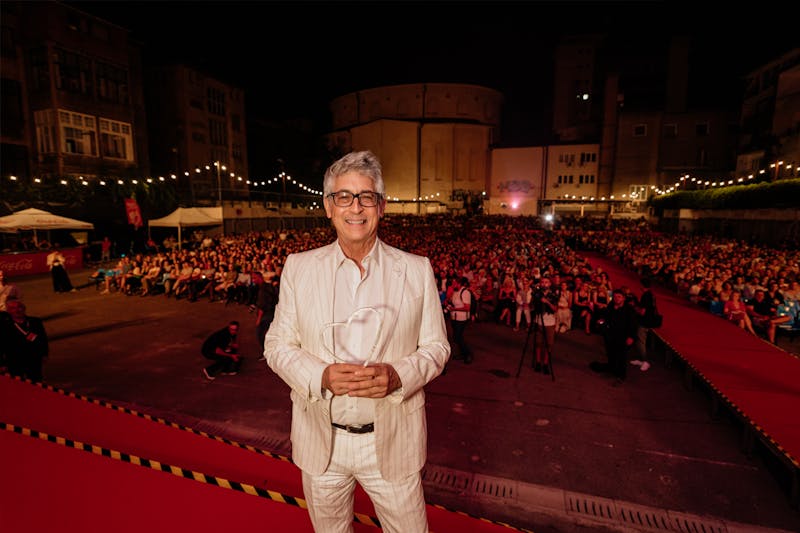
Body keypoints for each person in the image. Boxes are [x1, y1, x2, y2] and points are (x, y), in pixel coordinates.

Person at [263, 150, 450, 533]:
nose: (356, 207)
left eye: (366, 196)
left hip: (392, 440)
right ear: (328, 207)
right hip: (322, 441)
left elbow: (437, 347)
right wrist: (321, 377)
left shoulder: (416, 270)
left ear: (381, 207)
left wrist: (398, 375)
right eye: (344, 196)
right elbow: (277, 344)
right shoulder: (299, 267)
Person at [591, 289, 637, 386]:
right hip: (610, 335)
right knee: (611, 353)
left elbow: (633, 325)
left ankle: (621, 376)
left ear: (624, 298)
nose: (616, 299)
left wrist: (631, 337)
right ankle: (612, 369)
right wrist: (601, 321)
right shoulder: (611, 305)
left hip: (623, 337)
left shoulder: (629, 310)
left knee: (621, 357)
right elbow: (606, 316)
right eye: (615, 297)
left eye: (619, 297)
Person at [0, 299, 49, 382]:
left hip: (34, 358)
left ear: (24, 308)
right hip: (14, 360)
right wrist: (2, 363)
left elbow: (43, 338)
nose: (17, 310)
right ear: (8, 311)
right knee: (17, 384)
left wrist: (44, 353)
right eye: (13, 308)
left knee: (36, 382)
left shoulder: (35, 321)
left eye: (19, 307)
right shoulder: (5, 326)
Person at [631, 277, 657, 372]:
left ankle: (645, 361)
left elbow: (642, 312)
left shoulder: (646, 296)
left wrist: (634, 307)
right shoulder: (651, 295)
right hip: (647, 320)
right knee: (640, 341)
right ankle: (641, 360)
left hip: (644, 322)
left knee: (641, 341)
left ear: (642, 285)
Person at [449, 276, 474, 364]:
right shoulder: (455, 291)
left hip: (461, 318)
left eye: (454, 283)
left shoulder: (465, 292)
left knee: (458, 337)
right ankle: (462, 353)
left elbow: (467, 308)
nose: (453, 285)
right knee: (456, 337)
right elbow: (453, 302)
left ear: (459, 283)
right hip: (454, 317)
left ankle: (468, 354)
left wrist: (454, 309)